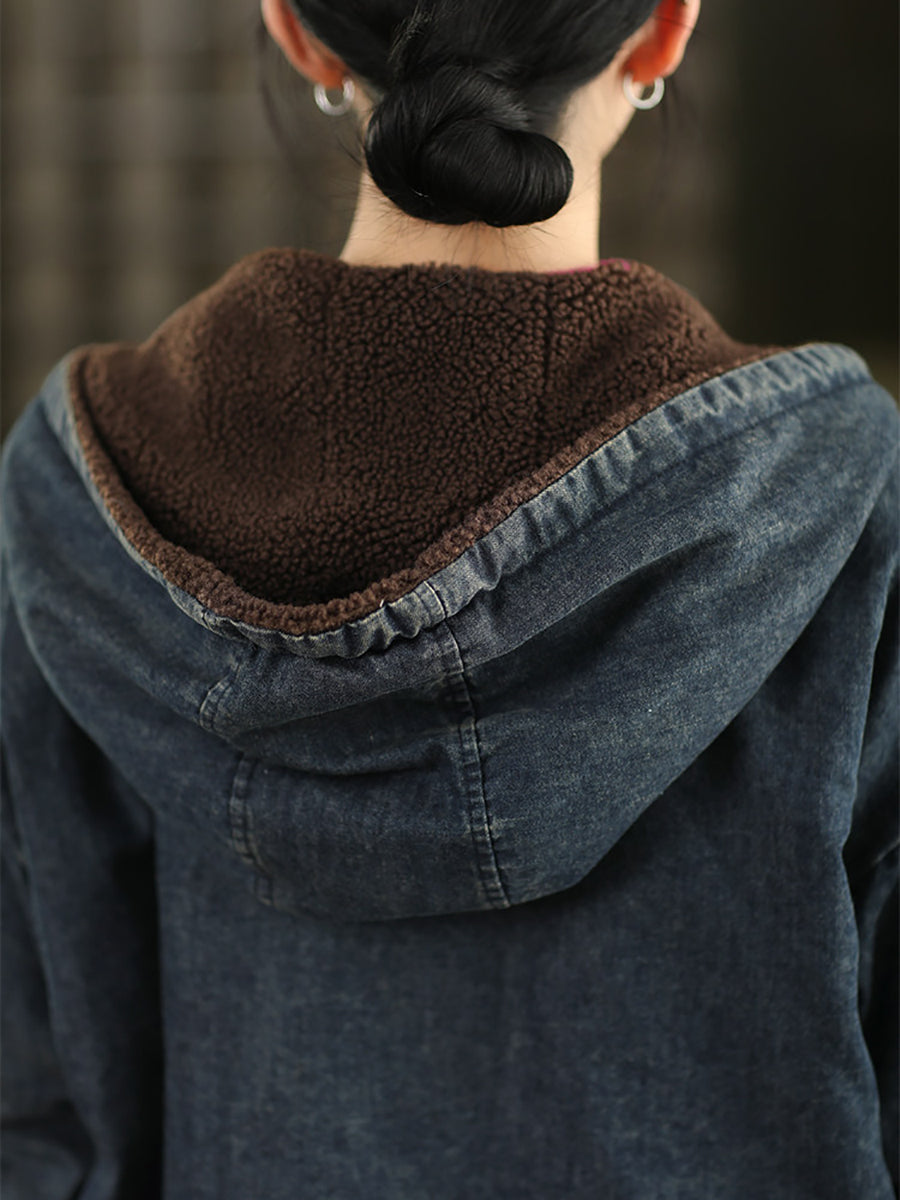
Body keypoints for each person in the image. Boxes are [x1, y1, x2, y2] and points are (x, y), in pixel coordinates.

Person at [1, 1, 897, 1197]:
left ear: (297, 31)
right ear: (665, 31)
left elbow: (35, 1116)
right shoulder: (847, 510)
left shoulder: (71, 499)